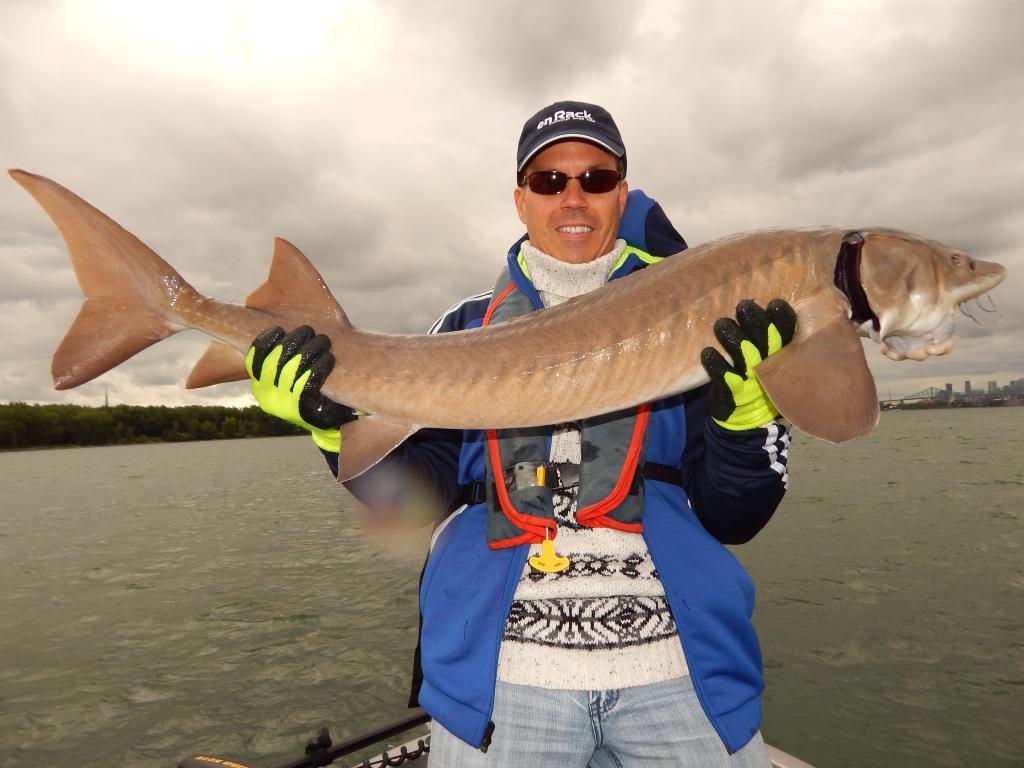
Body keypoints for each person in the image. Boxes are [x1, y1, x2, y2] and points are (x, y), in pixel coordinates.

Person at [245, 101, 796, 767]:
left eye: (596, 179)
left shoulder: (711, 318)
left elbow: (737, 515)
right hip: (500, 684)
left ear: (622, 195)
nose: (573, 197)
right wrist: (334, 434)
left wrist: (747, 419)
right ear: (520, 199)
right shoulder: (463, 327)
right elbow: (413, 500)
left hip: (681, 674)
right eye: (549, 180)